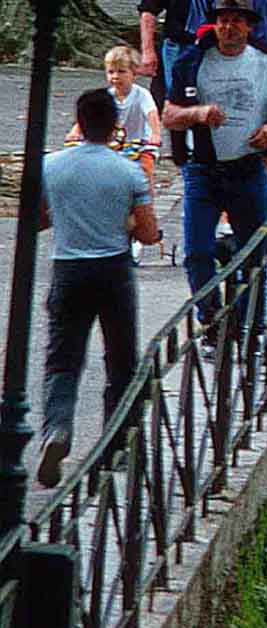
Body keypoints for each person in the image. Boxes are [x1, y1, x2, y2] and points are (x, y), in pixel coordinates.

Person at [36, 89, 159, 487]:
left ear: (79, 121)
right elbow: (148, 231)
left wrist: (69, 216)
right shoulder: (129, 172)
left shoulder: (51, 166)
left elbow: (36, 219)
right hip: (113, 269)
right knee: (120, 358)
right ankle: (117, 444)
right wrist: (122, 223)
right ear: (115, 127)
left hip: (69, 267)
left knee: (62, 358)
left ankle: (56, 428)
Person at [164, 0, 267, 324]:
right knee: (197, 253)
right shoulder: (192, 61)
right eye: (223, 20)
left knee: (253, 252)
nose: (229, 27)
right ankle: (211, 319)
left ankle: (248, 323)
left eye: (236, 21)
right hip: (203, 170)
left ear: (249, 26)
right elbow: (168, 115)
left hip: (248, 167)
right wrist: (198, 114)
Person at [65, 46, 162, 185]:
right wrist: (76, 130)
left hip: (139, 142)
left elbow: (151, 114)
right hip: (112, 142)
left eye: (121, 72)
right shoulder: (108, 96)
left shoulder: (141, 95)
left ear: (134, 74)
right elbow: (90, 115)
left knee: (145, 169)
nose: (115, 77)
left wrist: (156, 134)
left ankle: (145, 197)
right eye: (111, 72)